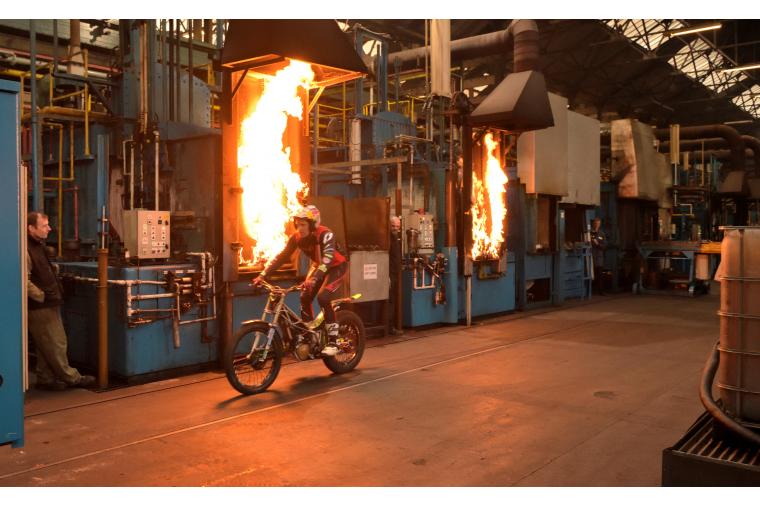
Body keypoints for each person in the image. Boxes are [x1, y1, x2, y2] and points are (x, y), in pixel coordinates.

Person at [254, 205, 347, 356]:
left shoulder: (326, 234)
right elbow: (281, 256)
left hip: (336, 266)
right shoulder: (296, 238)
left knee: (323, 297)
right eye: (297, 224)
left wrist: (315, 278)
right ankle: (309, 335)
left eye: (303, 224)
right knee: (304, 297)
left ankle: (333, 342)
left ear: (313, 224)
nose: (300, 228)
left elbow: (328, 260)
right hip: (319, 266)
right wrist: (262, 275)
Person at [27, 211, 95, 390]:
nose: (49, 228)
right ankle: (72, 378)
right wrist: (41, 295)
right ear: (31, 228)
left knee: (45, 343)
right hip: (40, 306)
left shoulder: (37, 246)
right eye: (44, 225)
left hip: (48, 301)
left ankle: (45, 378)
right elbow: (23, 280)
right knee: (57, 342)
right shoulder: (26, 249)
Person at [388, 216, 403, 336]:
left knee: (392, 300)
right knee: (390, 301)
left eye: (397, 227)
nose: (395, 229)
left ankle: (390, 326)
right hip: (389, 273)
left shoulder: (396, 238)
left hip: (395, 272)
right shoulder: (388, 238)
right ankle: (389, 327)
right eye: (393, 226)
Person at [590, 217, 607, 295]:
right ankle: (590, 291)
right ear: (593, 224)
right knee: (591, 274)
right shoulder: (590, 233)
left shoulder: (602, 234)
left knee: (600, 275)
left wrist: (598, 244)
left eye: (598, 223)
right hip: (591, 256)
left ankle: (601, 291)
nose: (597, 225)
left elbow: (604, 246)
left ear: (600, 224)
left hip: (599, 257)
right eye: (596, 223)